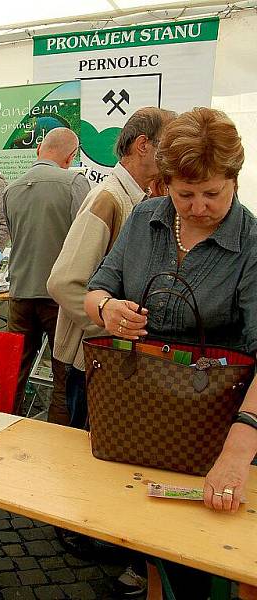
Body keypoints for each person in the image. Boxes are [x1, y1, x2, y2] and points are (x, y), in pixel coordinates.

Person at [84, 107, 257, 600]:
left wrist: (237, 453)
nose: (198, 206)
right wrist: (109, 310)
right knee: (152, 540)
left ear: (235, 181)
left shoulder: (253, 245)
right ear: (164, 182)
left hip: (215, 427)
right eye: (185, 194)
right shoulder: (144, 217)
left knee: (211, 554)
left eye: (212, 194)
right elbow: (95, 290)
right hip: (140, 414)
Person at [47, 107, 176, 430]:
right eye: (170, 143)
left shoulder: (140, 198)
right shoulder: (108, 199)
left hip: (114, 359)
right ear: (143, 145)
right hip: (95, 361)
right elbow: (63, 282)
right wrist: (109, 322)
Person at [2, 128, 89, 420]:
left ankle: (3, 430)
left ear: (39, 148)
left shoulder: (11, 189)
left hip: (19, 295)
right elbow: (84, 241)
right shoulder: (74, 183)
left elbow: (16, 239)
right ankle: (58, 443)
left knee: (13, 372)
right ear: (70, 157)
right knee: (63, 377)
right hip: (58, 299)